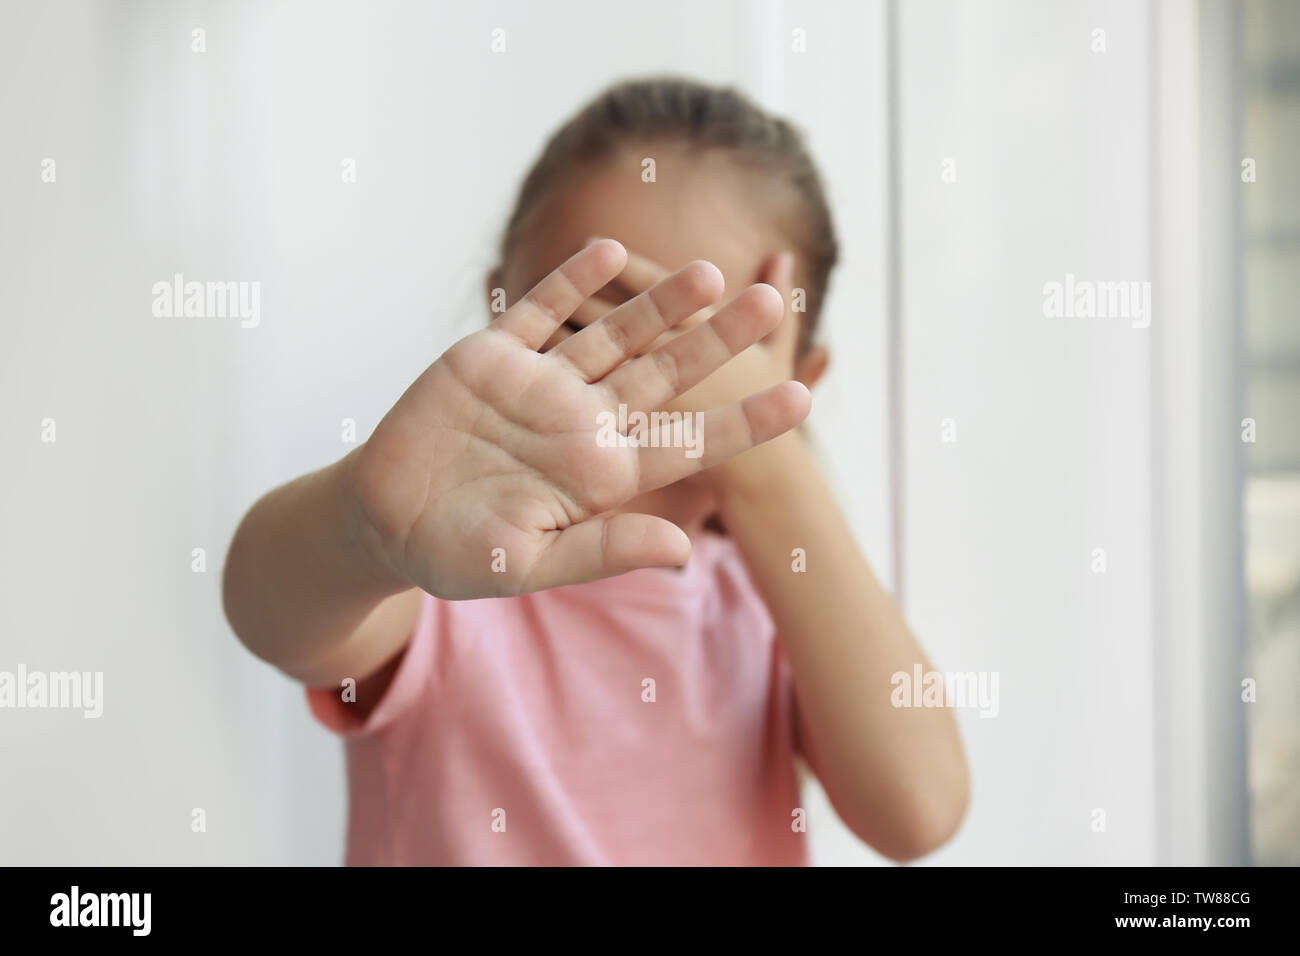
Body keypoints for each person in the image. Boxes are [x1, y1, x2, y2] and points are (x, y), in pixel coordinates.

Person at [223, 77, 969, 865]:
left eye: (718, 347)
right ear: (502, 317)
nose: (644, 383)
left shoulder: (776, 599)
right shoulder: (449, 575)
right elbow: (270, 612)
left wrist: (769, 467)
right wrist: (365, 523)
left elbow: (918, 811)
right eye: (589, 326)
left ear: (800, 380)